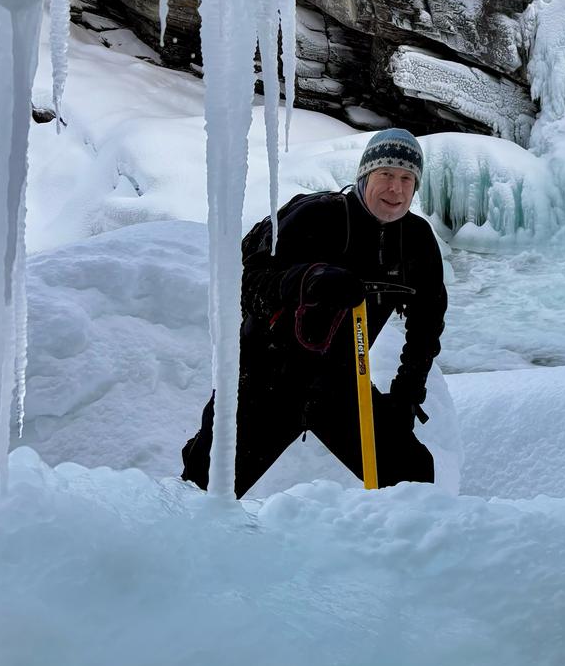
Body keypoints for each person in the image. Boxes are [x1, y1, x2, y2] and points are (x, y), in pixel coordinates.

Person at [181, 127, 446, 496]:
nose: (395, 189)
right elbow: (246, 280)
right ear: (365, 176)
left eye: (406, 179)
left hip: (340, 383)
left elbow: (427, 323)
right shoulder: (317, 215)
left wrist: (406, 395)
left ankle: (397, 550)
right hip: (265, 377)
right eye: (386, 175)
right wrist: (308, 280)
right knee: (206, 483)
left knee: (411, 473)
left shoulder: (416, 242)